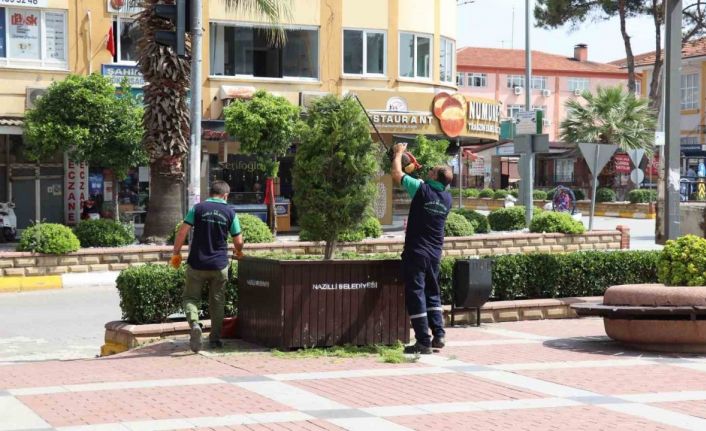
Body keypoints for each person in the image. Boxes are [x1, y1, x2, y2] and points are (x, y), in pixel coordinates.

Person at [391, 142, 453, 354]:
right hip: (434, 253)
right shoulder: (447, 197)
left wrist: (398, 153)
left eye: (432, 171)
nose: (429, 171)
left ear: (435, 178)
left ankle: (423, 341)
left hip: (416, 252)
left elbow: (396, 173)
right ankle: (439, 334)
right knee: (432, 292)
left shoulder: (420, 189)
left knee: (416, 293)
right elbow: (424, 183)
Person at [171, 180, 244, 353]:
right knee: (217, 303)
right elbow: (238, 241)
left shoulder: (198, 208)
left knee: (190, 298)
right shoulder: (230, 212)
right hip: (219, 265)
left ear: (211, 193)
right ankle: (215, 339)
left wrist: (176, 253)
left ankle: (195, 324)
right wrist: (238, 251)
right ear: (225, 195)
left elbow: (183, 231)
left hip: (197, 263)